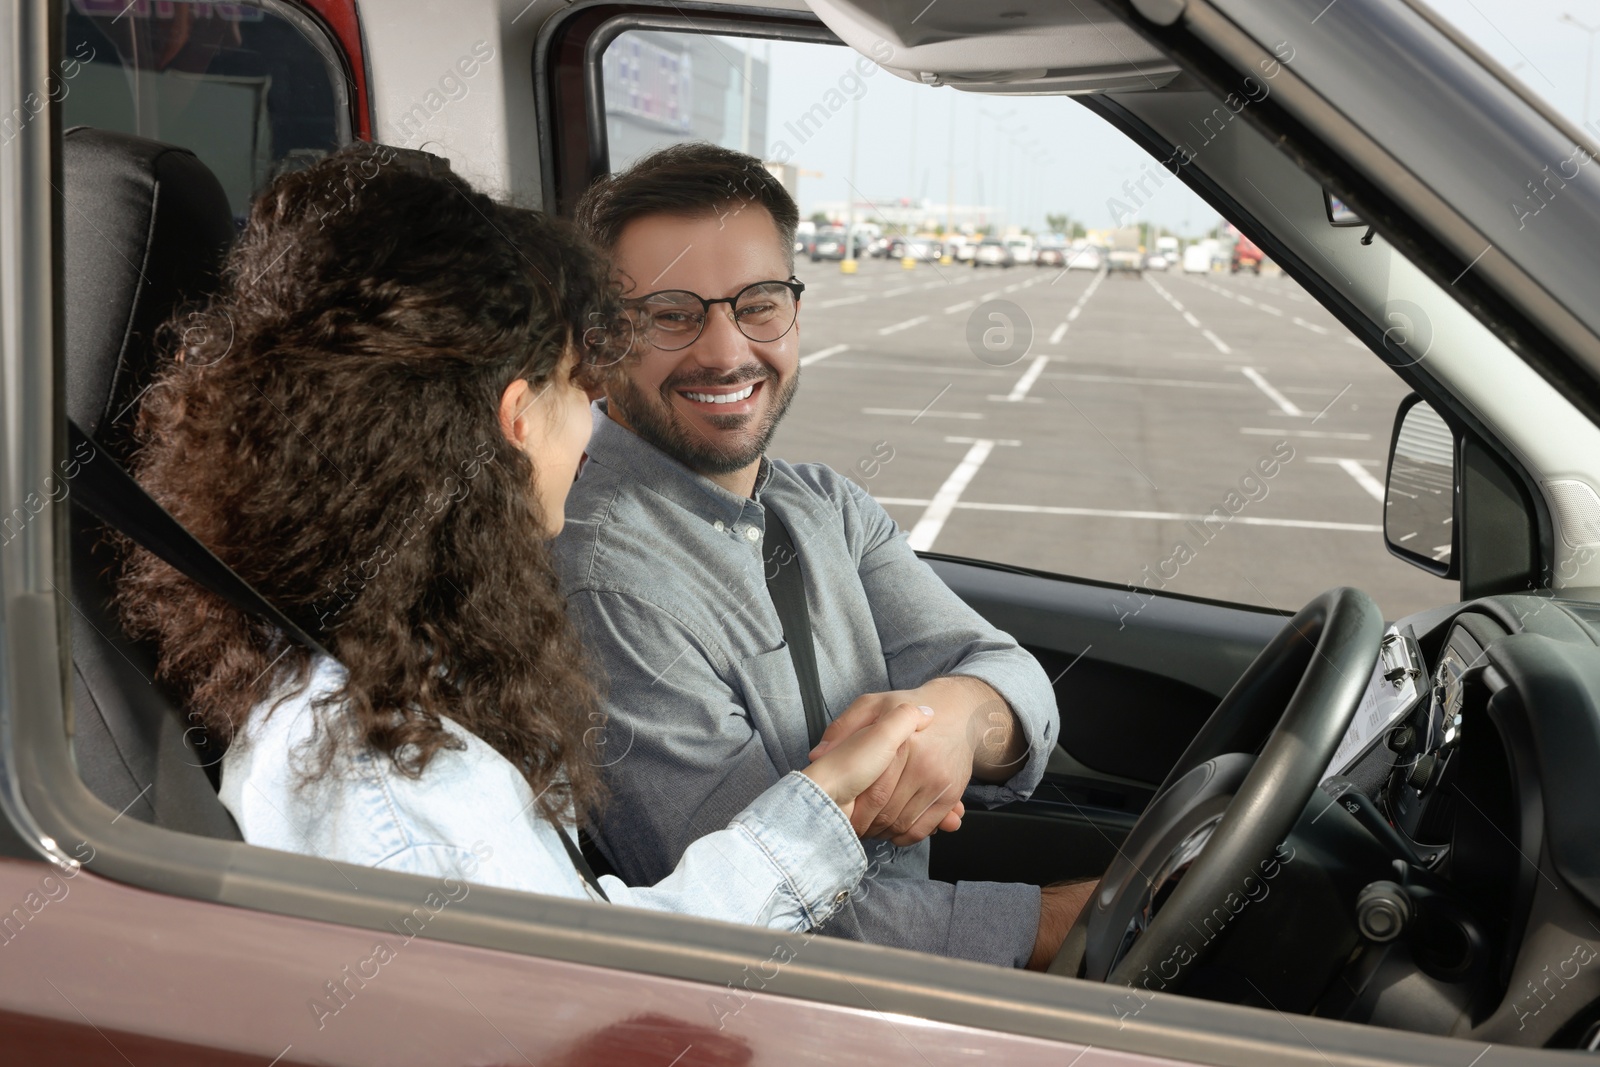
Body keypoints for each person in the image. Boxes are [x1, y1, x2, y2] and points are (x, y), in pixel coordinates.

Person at [114, 144, 940, 931]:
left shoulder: (372, 663)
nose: (589, 427)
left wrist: (827, 796)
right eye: (578, 386)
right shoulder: (397, 787)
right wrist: (823, 807)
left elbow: (572, 936)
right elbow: (593, 988)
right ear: (516, 418)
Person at [557, 143, 1090, 970]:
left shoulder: (826, 506)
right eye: (671, 313)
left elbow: (1005, 671)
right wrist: (1061, 926)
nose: (726, 351)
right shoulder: (602, 576)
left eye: (759, 303)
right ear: (602, 338)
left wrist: (953, 716)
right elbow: (769, 912)